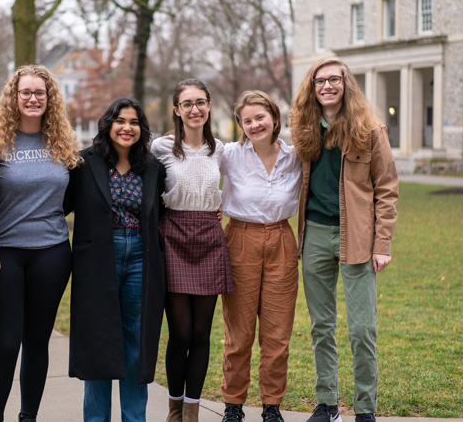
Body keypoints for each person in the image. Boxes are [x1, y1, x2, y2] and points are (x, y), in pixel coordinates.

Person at [290, 58, 399, 422]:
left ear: (345, 83)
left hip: (359, 237)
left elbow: (387, 189)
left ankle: (365, 408)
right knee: (321, 326)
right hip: (315, 235)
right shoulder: (304, 129)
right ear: (313, 87)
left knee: (362, 328)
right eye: (320, 81)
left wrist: (382, 244)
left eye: (334, 79)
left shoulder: (371, 130)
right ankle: (327, 403)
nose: (327, 86)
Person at [0, 64, 80, 422]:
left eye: (40, 92)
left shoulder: (65, 144)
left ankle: (28, 417)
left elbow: (71, 197)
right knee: (6, 344)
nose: (33, 98)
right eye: (26, 92)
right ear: (14, 96)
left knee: (37, 342)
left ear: (50, 98)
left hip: (52, 255)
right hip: (5, 254)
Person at [64, 97, 167, 422]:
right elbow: (58, 207)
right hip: (97, 260)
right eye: (121, 121)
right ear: (108, 124)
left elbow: (161, 215)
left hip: (140, 257)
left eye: (134, 122)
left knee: (136, 342)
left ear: (142, 129)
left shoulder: (153, 168)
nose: (127, 128)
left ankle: (134, 418)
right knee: (98, 342)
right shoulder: (83, 164)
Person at [152, 78, 234, 422]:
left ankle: (192, 411)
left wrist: (222, 206)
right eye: (187, 104)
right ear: (177, 110)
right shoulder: (160, 148)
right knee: (180, 332)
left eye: (200, 102)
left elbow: (239, 185)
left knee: (201, 333)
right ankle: (174, 409)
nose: (195, 109)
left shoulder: (223, 151)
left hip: (209, 237)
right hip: (173, 235)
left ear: (209, 105)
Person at [218, 91, 302, 422]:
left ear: (274, 117)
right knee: (238, 334)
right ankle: (233, 405)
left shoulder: (296, 157)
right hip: (240, 239)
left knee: (277, 335)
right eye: (247, 120)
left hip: (281, 239)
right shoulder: (230, 155)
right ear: (240, 124)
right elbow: (192, 158)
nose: (254, 125)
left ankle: (271, 406)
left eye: (260, 117)